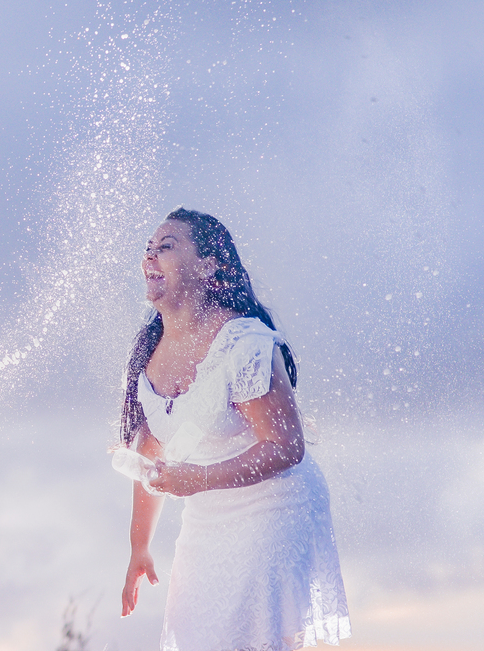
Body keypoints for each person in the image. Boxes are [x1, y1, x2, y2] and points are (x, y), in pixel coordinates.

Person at [118, 207, 350, 651]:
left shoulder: (243, 344)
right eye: (148, 249)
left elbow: (286, 446)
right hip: (206, 518)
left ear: (208, 266)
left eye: (166, 246)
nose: (151, 257)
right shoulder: (149, 351)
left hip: (276, 507)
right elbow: (150, 450)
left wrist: (198, 479)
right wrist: (138, 548)